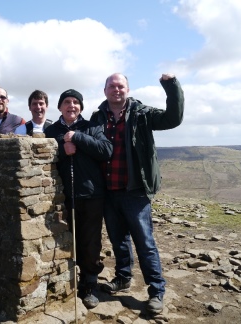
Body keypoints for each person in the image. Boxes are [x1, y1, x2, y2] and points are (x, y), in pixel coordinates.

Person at [90, 73, 184, 314]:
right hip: (109, 192)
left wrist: (171, 86)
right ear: (105, 91)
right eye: (111, 86)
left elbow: (173, 119)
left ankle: (156, 291)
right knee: (118, 240)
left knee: (145, 243)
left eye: (120, 86)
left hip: (135, 191)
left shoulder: (142, 113)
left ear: (127, 90)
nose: (116, 90)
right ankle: (123, 277)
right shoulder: (98, 117)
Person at [45, 89, 113, 309]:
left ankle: (89, 284)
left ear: (81, 108)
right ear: (60, 107)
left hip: (91, 194)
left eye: (76, 102)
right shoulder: (52, 131)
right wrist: (63, 149)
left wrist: (78, 137)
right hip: (62, 196)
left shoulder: (90, 127)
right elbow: (44, 155)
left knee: (90, 241)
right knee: (66, 239)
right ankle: (66, 278)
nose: (71, 105)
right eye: (67, 102)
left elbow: (105, 150)